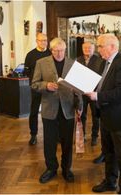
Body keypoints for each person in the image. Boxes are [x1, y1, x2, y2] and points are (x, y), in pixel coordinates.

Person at [31, 37, 82, 184]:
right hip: (49, 108)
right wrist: (46, 85)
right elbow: (34, 84)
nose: (59, 53)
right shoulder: (41, 63)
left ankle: (67, 169)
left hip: (68, 108)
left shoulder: (73, 64)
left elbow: (78, 89)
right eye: (56, 50)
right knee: (49, 141)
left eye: (62, 50)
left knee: (67, 142)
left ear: (65, 50)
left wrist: (80, 107)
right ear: (51, 50)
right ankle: (51, 169)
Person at [85, 33, 121, 194]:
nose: (98, 49)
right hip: (105, 115)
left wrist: (98, 96)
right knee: (108, 153)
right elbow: (99, 84)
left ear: (113, 47)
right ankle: (110, 181)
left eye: (101, 46)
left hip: (119, 118)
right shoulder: (104, 63)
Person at [24, 33, 51, 145]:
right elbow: (27, 71)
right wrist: (35, 80)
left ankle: (51, 134)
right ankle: (33, 135)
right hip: (36, 87)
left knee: (50, 111)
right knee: (34, 111)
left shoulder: (50, 53)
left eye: (45, 40)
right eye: (41, 40)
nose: (43, 42)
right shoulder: (30, 54)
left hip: (49, 87)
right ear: (37, 41)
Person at [76, 41, 103, 146]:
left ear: (94, 49)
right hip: (82, 93)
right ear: (82, 49)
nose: (87, 50)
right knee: (81, 115)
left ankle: (94, 136)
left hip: (93, 92)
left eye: (89, 48)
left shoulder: (100, 61)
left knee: (95, 115)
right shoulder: (78, 60)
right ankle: (82, 136)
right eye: (85, 48)